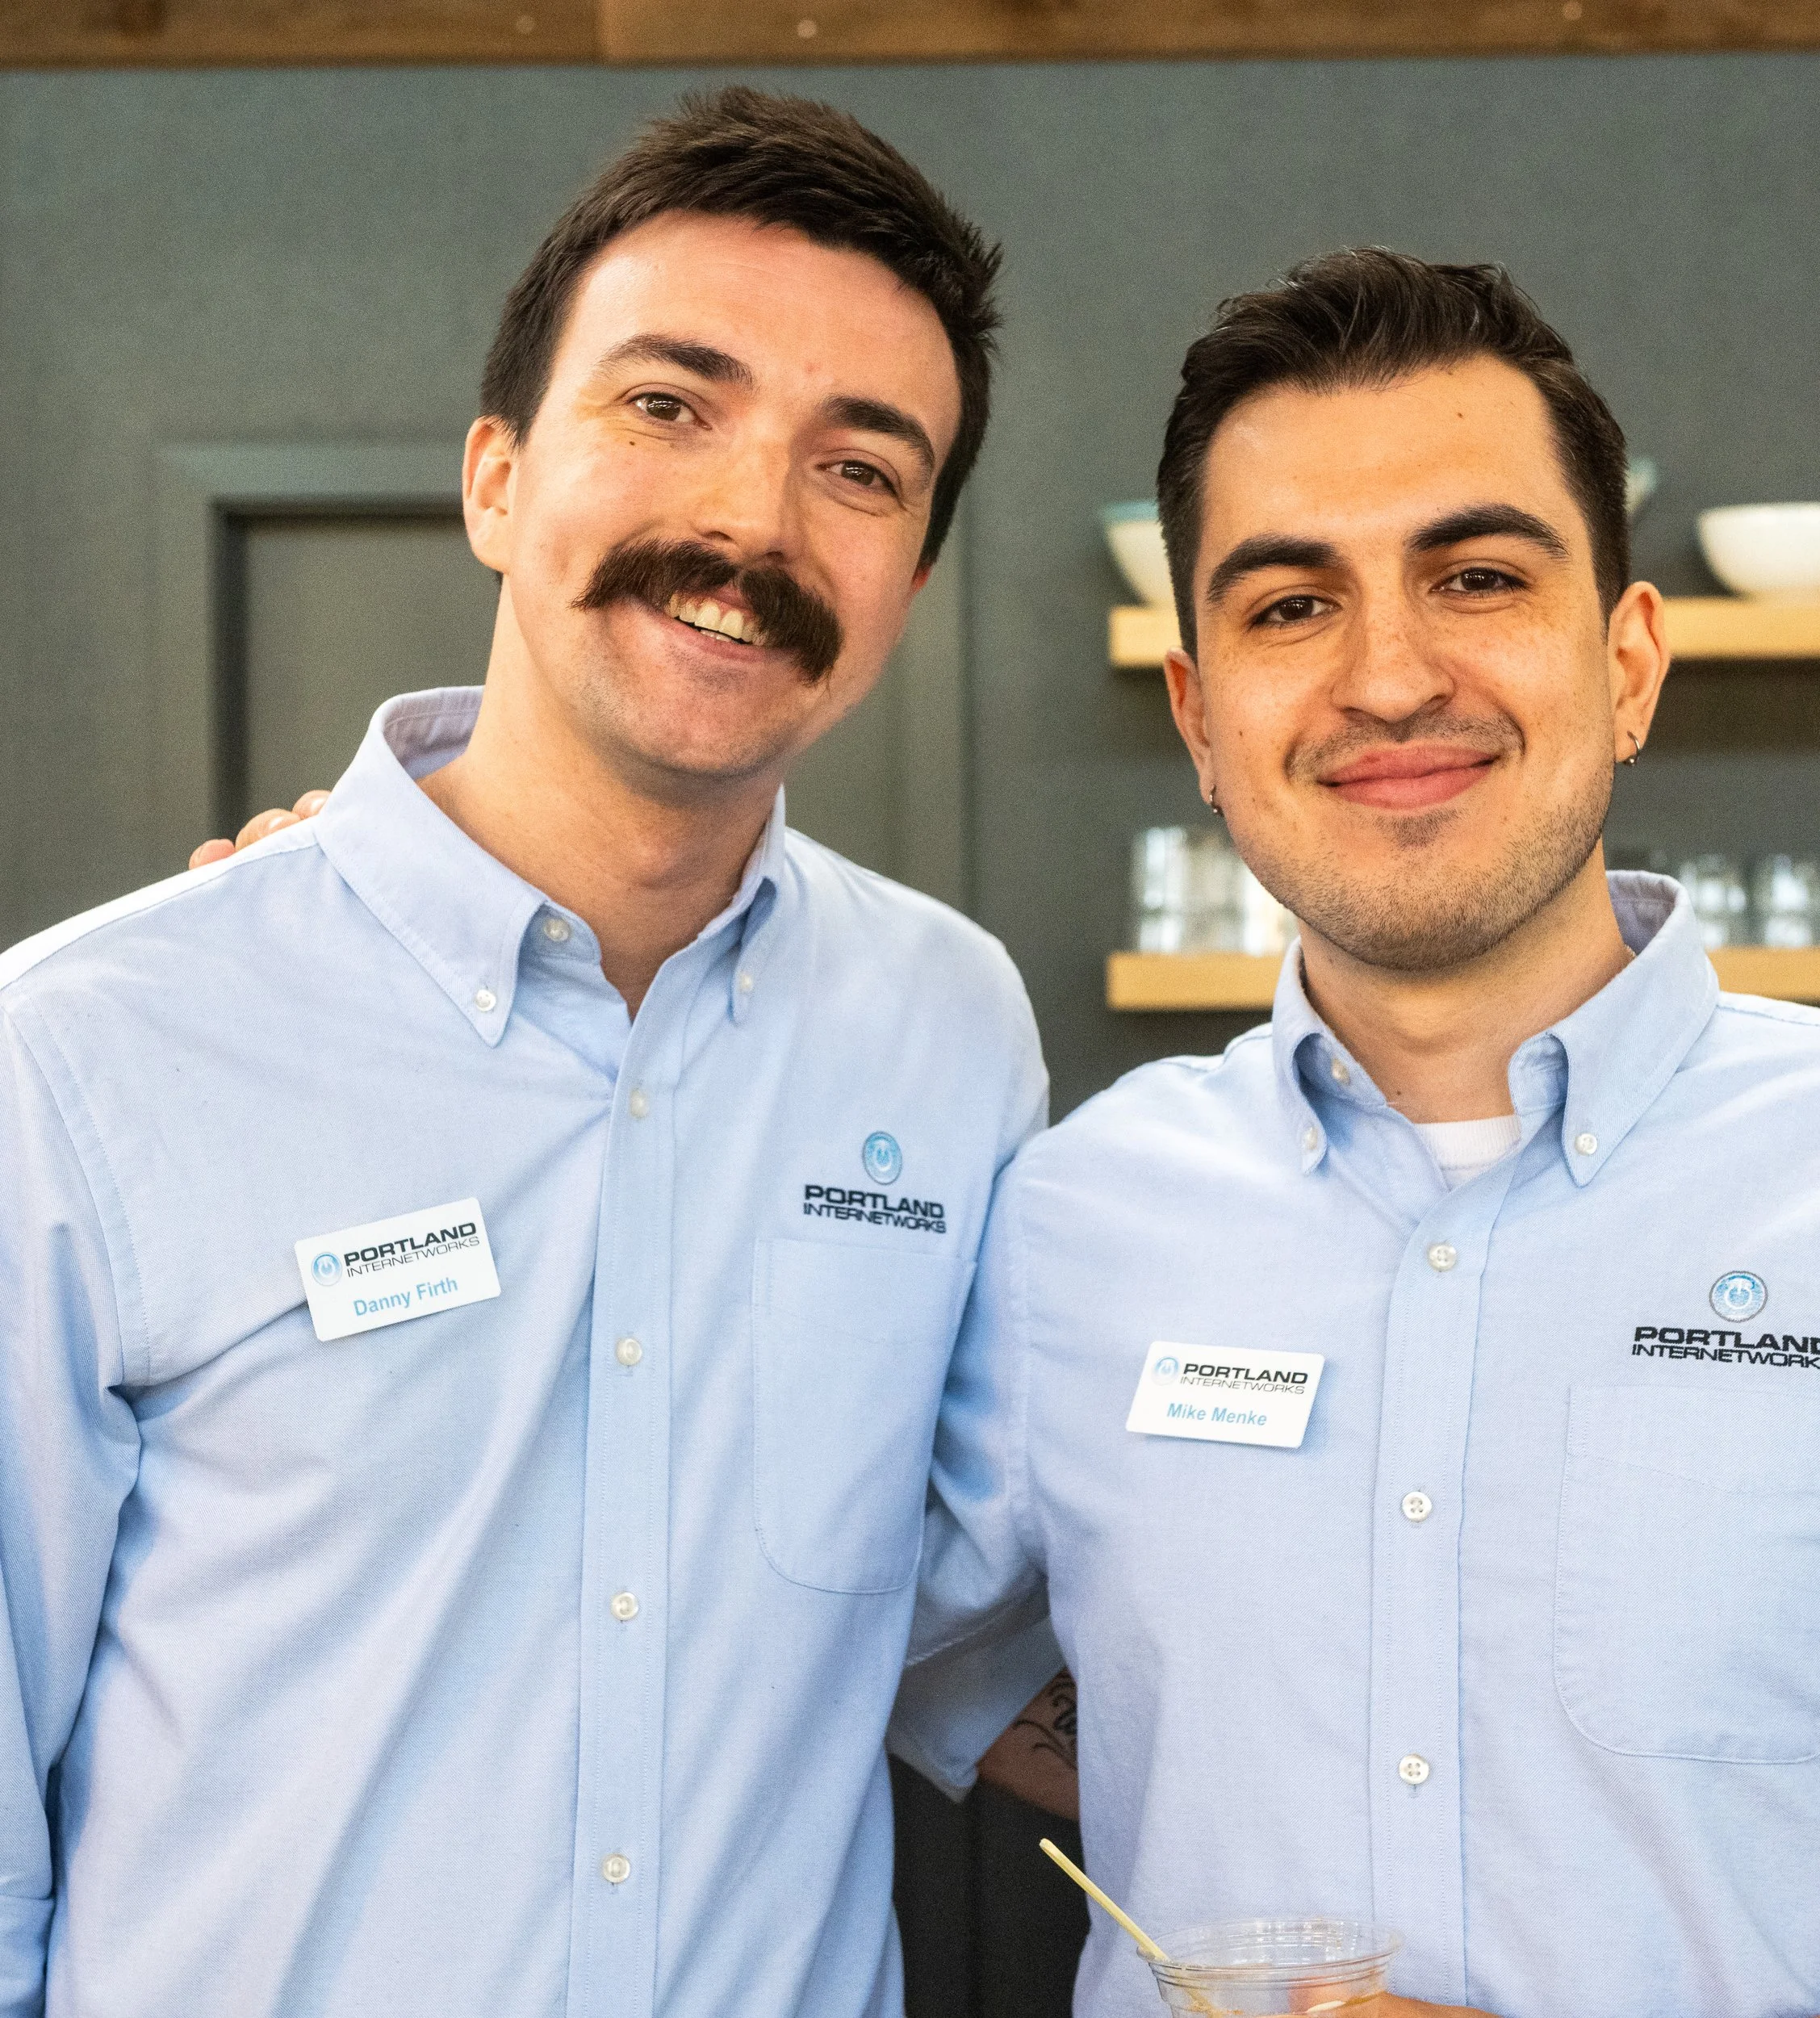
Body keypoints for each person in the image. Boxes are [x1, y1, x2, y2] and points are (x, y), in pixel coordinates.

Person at [0, 89, 1067, 2018]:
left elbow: (962, 1623)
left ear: (908, 581)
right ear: (495, 477)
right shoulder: (84, 1052)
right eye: (669, 405)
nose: (749, 519)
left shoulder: (948, 1027)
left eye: (859, 468)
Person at [894, 249, 1820, 2018]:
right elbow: (862, 1626)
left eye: (1475, 575)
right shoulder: (1068, 1221)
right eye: (1286, 605)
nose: (1388, 675)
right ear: (1198, 717)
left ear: (1627, 661)